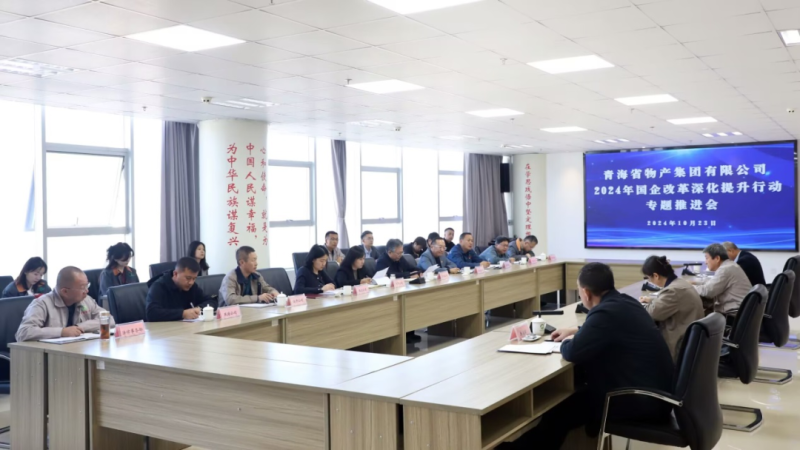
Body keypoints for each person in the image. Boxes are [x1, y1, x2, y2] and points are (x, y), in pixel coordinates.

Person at [501, 263, 674, 450]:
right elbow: (609, 328)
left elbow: (572, 351)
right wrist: (576, 330)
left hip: (640, 402)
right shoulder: (625, 302)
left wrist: (568, 340)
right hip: (658, 396)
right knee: (573, 398)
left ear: (586, 292)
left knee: (560, 412)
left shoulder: (604, 313)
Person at [16, 267, 115, 341]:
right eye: (82, 287)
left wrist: (80, 327)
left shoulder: (86, 300)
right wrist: (62, 332)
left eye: (87, 286)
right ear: (65, 291)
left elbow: (109, 320)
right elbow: (23, 332)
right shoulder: (41, 304)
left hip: (79, 350)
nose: (87, 291)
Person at [640, 255, 705, 361]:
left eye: (649, 278)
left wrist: (640, 305)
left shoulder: (673, 291)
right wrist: (652, 300)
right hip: (691, 340)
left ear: (656, 276)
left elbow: (652, 313)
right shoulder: (680, 283)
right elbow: (672, 302)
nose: (650, 282)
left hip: (679, 346)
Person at [146, 258, 215, 322]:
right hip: (164, 329)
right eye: (188, 278)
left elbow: (211, 301)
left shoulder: (191, 286)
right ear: (175, 274)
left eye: (194, 278)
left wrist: (199, 308)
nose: (191, 282)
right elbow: (151, 313)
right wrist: (182, 314)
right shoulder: (158, 286)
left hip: (186, 327)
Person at [694, 243, 751, 314]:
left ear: (717, 258)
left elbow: (708, 291)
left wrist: (690, 287)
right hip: (740, 310)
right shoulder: (730, 265)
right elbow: (714, 282)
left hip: (733, 314)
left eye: (707, 258)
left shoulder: (725, 269)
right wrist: (696, 283)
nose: (705, 262)